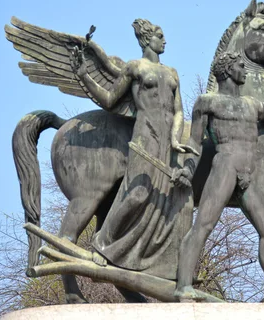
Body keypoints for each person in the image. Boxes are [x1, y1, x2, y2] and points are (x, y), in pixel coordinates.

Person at [172, 51, 264, 301]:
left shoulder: (251, 104)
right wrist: (188, 170)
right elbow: (194, 142)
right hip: (225, 164)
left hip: (251, 171)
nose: (245, 70)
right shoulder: (207, 102)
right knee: (204, 225)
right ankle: (183, 285)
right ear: (228, 70)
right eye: (240, 66)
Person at [71, 19, 197, 280]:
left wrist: (175, 139)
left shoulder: (172, 72)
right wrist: (83, 75)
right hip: (144, 135)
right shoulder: (135, 67)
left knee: (165, 199)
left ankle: (158, 262)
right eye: (160, 36)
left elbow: (179, 111)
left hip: (167, 142)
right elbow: (109, 100)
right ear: (146, 39)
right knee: (138, 194)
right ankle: (103, 243)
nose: (165, 41)